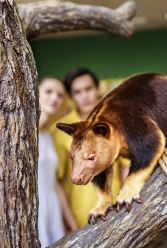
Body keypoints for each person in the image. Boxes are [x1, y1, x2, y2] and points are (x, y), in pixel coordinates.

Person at [51, 68, 127, 227]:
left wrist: (127, 210)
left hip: (114, 212)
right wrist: (69, 225)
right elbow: (56, 183)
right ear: (71, 97)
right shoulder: (61, 131)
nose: (84, 96)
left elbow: (125, 169)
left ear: (98, 89)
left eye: (88, 89)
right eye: (78, 92)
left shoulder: (115, 123)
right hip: (79, 217)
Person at [38, 78, 78, 247]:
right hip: (35, 207)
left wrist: (73, 226)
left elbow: (55, 184)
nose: (54, 98)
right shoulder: (22, 133)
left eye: (60, 95)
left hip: (52, 207)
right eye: (48, 91)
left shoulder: (48, 135)